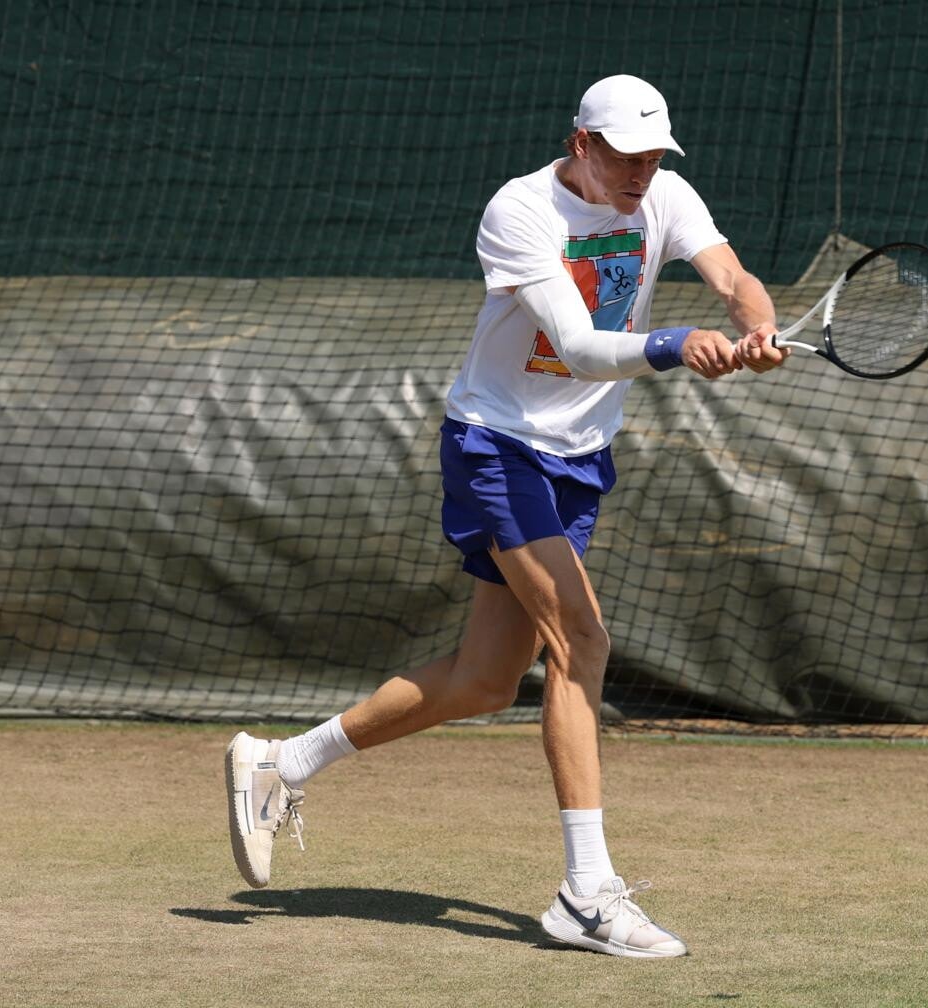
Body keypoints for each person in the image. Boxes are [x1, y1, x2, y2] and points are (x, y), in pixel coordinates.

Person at [224, 74, 787, 959]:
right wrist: (678, 345)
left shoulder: (664, 195)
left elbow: (734, 277)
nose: (640, 174)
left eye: (653, 157)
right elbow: (581, 347)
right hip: (499, 445)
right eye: (625, 157)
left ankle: (282, 762)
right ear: (581, 144)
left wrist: (756, 330)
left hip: (579, 458)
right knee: (582, 642)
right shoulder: (519, 212)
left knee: (487, 681)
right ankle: (586, 894)